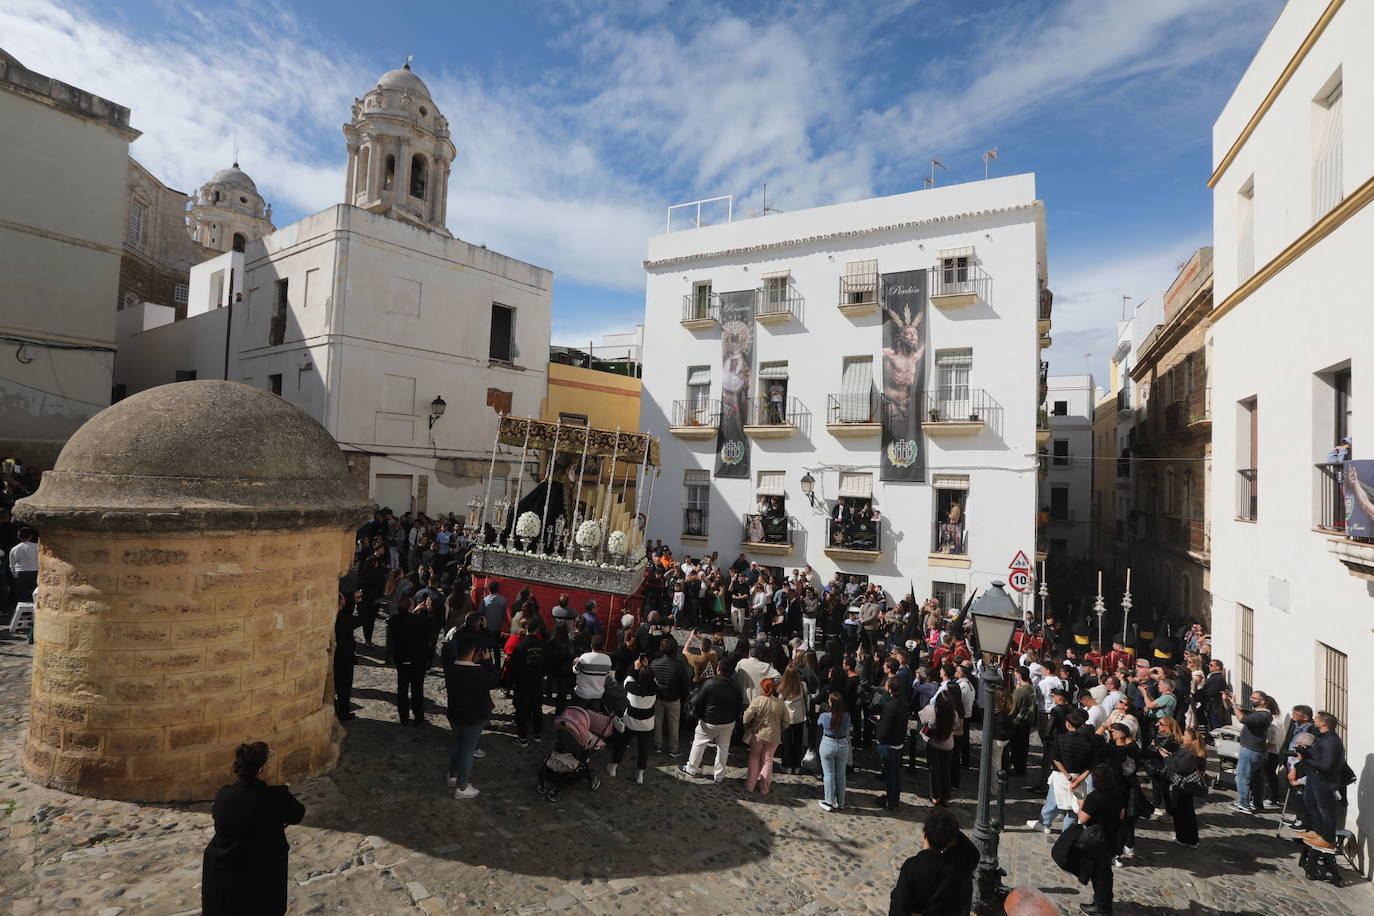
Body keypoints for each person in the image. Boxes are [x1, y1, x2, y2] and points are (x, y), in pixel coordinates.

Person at [201, 742, 306, 916]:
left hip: (223, 872)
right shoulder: (275, 797)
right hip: (259, 875)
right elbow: (297, 814)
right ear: (262, 769)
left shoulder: (223, 794)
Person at [887, 806, 978, 916]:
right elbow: (972, 851)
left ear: (925, 835)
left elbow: (898, 910)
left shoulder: (913, 867)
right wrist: (948, 829)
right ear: (953, 840)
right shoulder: (962, 862)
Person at [443, 632, 498, 798]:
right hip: (474, 716)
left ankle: (453, 775)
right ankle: (462, 787)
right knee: (468, 750)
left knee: (458, 745)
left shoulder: (451, 668)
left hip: (455, 713)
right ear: (472, 652)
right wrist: (488, 661)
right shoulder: (479, 673)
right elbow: (495, 680)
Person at [680, 656, 743, 783]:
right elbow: (739, 705)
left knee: (699, 743)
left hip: (709, 721)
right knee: (723, 749)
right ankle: (719, 776)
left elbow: (699, 703)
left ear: (718, 669)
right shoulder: (736, 686)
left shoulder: (709, 683)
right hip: (728, 722)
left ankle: (691, 768)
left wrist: (699, 717)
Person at [1294, 711, 1346, 851]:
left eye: (1316, 719)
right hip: (1314, 777)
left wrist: (1306, 759)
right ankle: (1319, 834)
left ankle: (1328, 840)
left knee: (1325, 810)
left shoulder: (1330, 741)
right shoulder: (1322, 738)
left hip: (1324, 780)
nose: (1314, 720)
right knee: (1311, 803)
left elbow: (1326, 765)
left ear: (1323, 723)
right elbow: (1318, 755)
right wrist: (1306, 752)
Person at [1076, 764, 1125, 915]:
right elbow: (1121, 816)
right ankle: (1103, 902)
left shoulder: (1095, 797)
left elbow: (1082, 818)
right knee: (1105, 872)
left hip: (1096, 840)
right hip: (1112, 837)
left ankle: (1102, 906)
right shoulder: (1118, 795)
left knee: (1099, 874)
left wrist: (1080, 804)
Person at [608, 654, 658, 784]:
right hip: (647, 725)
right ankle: (640, 774)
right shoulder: (655, 688)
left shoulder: (631, 687)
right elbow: (652, 679)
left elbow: (628, 678)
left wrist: (636, 668)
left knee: (622, 745)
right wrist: (647, 667)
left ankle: (613, 767)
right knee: (643, 750)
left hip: (630, 722)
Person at [389, 598, 438, 725]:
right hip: (418, 659)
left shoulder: (394, 620)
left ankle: (404, 717)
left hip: (401, 658)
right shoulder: (419, 620)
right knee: (417, 689)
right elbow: (433, 624)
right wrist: (429, 609)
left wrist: (413, 612)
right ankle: (418, 716)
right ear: (410, 607)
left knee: (402, 688)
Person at [1160, 726, 1206, 848]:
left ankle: (1188, 839)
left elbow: (1180, 769)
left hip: (1184, 786)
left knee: (1184, 813)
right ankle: (1184, 837)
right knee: (1183, 812)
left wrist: (1166, 758)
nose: (1183, 737)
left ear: (1193, 740)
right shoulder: (1189, 751)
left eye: (1185, 736)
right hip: (1183, 786)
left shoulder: (1191, 754)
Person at [742, 676, 788, 794]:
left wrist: (748, 726)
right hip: (774, 736)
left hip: (759, 734)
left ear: (762, 688)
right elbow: (787, 722)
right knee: (768, 761)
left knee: (754, 757)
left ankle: (750, 785)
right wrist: (780, 728)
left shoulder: (758, 700)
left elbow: (746, 716)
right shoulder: (780, 703)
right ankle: (764, 788)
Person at [506, 616, 547, 746]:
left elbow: (513, 668)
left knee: (521, 710)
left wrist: (510, 682)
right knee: (537, 708)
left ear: (526, 629)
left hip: (523, 683)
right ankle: (537, 734)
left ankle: (522, 737)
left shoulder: (520, 647)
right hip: (537, 682)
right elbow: (547, 665)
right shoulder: (543, 645)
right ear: (537, 630)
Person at [1232, 688, 1274, 813]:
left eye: (1254, 698)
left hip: (1251, 750)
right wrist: (1229, 702)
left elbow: (1243, 719)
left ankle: (1244, 803)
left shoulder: (1264, 715)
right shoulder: (1257, 713)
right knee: (1257, 779)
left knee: (1242, 777)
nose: (1251, 699)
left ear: (1263, 701)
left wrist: (1234, 704)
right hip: (1254, 750)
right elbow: (1237, 712)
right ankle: (1257, 803)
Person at [920, 690, 962, 807]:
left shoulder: (931, 711)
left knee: (934, 771)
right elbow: (956, 726)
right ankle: (946, 796)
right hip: (948, 745)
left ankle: (935, 796)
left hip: (934, 744)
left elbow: (922, 718)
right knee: (945, 771)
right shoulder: (954, 714)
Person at [875, 676, 909, 810]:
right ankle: (895, 798)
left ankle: (890, 800)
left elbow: (885, 728)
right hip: (898, 741)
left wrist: (879, 739)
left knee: (891, 774)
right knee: (896, 772)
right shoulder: (902, 703)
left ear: (890, 689)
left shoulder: (890, 706)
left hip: (890, 744)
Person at [817, 690, 851, 811]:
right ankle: (841, 802)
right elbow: (847, 729)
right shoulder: (846, 716)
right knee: (841, 775)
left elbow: (819, 723)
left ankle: (829, 800)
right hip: (842, 743)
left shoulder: (824, 716)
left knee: (828, 774)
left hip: (828, 743)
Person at [333, 590, 362, 721]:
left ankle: (335, 711)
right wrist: (359, 602)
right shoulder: (344, 619)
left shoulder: (329, 619)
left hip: (333, 656)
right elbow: (363, 619)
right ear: (340, 603)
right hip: (344, 658)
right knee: (344, 688)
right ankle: (343, 713)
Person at [778, 664, 809, 775]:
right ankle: (796, 766)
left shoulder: (783, 687)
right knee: (797, 742)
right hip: (799, 717)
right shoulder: (802, 685)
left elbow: (780, 702)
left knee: (786, 743)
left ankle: (787, 766)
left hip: (786, 718)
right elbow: (807, 700)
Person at [571, 636, 614, 709]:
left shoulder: (584, 657)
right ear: (602, 646)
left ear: (591, 646)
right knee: (593, 717)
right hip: (597, 694)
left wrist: (575, 662)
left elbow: (575, 671)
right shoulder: (608, 659)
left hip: (582, 693)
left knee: (579, 716)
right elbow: (606, 674)